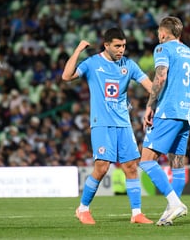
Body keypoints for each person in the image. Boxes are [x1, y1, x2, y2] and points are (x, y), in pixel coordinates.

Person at [62, 27, 153, 225]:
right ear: (106, 45)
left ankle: (136, 213)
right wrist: (78, 51)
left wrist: (153, 103)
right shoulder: (93, 63)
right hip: (102, 123)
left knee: (130, 167)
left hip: (124, 124)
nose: (121, 50)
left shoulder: (128, 65)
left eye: (124, 46)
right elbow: (66, 76)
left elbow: (150, 86)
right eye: (117, 46)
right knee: (102, 168)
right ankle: (83, 209)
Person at [138, 16, 190, 226]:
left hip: (168, 111)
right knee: (177, 163)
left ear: (163, 33)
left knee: (146, 160)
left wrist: (150, 105)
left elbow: (160, 77)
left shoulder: (162, 49)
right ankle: (171, 211)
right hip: (187, 116)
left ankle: (175, 203)